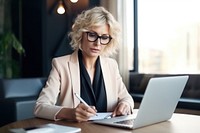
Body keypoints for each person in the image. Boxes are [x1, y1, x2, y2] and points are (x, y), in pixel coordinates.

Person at [34, 6, 134, 122]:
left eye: (104, 37)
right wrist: (70, 113)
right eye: (92, 35)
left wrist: (125, 105)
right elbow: (40, 106)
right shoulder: (61, 65)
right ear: (81, 34)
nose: (98, 43)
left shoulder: (111, 65)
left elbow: (127, 98)